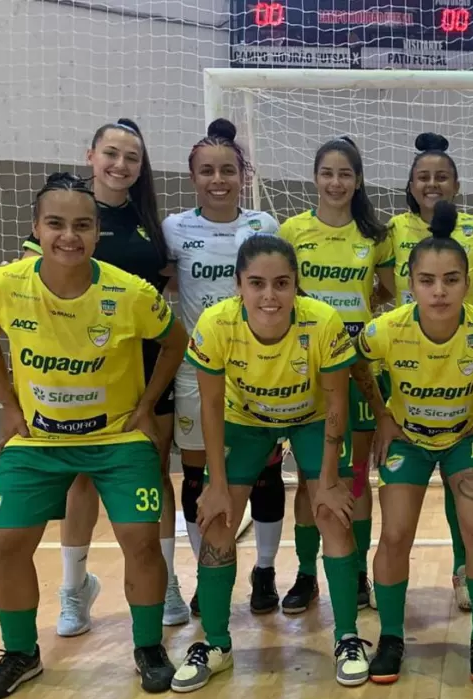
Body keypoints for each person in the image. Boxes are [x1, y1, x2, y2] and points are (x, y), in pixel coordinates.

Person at [0, 172, 186, 699]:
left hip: (117, 439)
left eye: (83, 226)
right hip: (38, 440)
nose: (70, 236)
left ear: (96, 232)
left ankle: (148, 646)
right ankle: (21, 653)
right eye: (56, 224)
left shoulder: (130, 293)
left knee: (140, 540)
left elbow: (176, 341)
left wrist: (146, 405)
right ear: (36, 229)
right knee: (5, 545)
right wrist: (9, 406)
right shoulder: (3, 286)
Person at [172, 235, 368, 691]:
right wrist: (216, 484)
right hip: (245, 421)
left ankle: (347, 638)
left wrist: (330, 479)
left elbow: (336, 402)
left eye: (281, 283)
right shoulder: (216, 324)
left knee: (332, 514)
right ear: (238, 285)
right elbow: (210, 405)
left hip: (312, 417)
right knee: (219, 521)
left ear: (296, 284)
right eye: (257, 283)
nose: (269, 295)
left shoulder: (322, 322)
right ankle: (215, 645)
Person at [19, 120, 184, 636]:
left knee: (155, 472)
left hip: (144, 370)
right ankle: (75, 587)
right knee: (81, 477)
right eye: (111, 153)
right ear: (90, 156)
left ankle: (165, 580)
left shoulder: (149, 221)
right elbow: (31, 284)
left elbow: (161, 290)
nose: (121, 165)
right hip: (79, 374)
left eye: (132, 157)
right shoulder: (68, 217)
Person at [351, 201, 473, 685]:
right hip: (409, 438)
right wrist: (381, 415)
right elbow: (356, 362)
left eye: (451, 280)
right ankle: (391, 637)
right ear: (410, 282)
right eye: (427, 280)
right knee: (395, 534)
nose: (439, 291)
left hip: (463, 437)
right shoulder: (386, 329)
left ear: (468, 281)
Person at [163, 119, 284, 618]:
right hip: (198, 371)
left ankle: (265, 571)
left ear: (243, 175)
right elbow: (167, 285)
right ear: (193, 176)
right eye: (208, 171)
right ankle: (205, 572)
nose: (219, 179)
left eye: (228, 170)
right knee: (198, 476)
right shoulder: (175, 228)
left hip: (258, 371)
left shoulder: (264, 226)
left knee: (265, 472)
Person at [279, 136, 396, 614]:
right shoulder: (293, 230)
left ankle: (358, 572)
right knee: (312, 477)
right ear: (315, 178)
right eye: (327, 173)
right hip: (305, 366)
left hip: (358, 366)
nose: (335, 182)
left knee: (354, 476)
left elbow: (387, 290)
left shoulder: (375, 235)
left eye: (345, 174)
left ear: (358, 180)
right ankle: (307, 573)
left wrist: (353, 311)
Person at [388, 132, 473, 610]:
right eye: (423, 177)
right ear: (410, 185)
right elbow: (379, 286)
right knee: (397, 517)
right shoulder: (392, 229)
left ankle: (465, 569)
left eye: (442, 177)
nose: (432, 184)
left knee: (472, 481)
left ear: (457, 184)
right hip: (410, 359)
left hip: (466, 357)